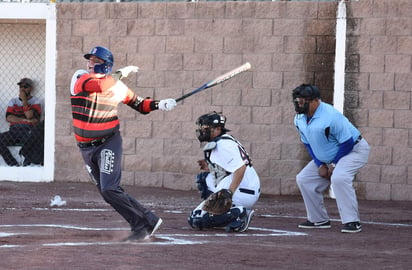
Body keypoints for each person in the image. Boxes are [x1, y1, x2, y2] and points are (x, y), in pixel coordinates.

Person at [70, 46, 177, 241]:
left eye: (96, 60)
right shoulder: (81, 78)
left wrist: (160, 104)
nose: (90, 63)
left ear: (106, 65)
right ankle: (141, 225)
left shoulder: (118, 87)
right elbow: (101, 86)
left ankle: (147, 222)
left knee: (109, 188)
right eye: (90, 60)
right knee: (107, 192)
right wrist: (122, 72)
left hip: (108, 143)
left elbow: (140, 105)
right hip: (85, 148)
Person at [292, 84, 370, 233]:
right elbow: (307, 143)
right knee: (304, 179)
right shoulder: (299, 119)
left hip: (354, 150)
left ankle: (352, 221)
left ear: (315, 101)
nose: (299, 104)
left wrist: (333, 164)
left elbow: (347, 142)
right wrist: (320, 164)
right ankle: (318, 220)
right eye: (297, 101)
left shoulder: (331, 116)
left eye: (302, 101)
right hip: (328, 158)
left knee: (339, 178)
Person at [188, 112, 260, 232]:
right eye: (202, 128)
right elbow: (227, 168)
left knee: (200, 220)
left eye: (206, 128)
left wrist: (229, 193)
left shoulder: (224, 145)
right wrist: (210, 166)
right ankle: (225, 213)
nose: (202, 131)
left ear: (218, 129)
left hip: (244, 189)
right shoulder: (222, 141)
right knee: (194, 217)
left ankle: (240, 214)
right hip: (243, 186)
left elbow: (240, 168)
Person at [0, 78, 42, 166]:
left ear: (30, 88)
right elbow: (8, 117)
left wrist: (24, 101)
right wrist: (24, 120)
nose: (22, 89)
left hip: (28, 131)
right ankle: (13, 164)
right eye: (20, 86)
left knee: (36, 141)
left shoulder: (36, 101)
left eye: (25, 87)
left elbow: (30, 116)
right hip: (14, 131)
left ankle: (27, 164)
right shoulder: (13, 101)